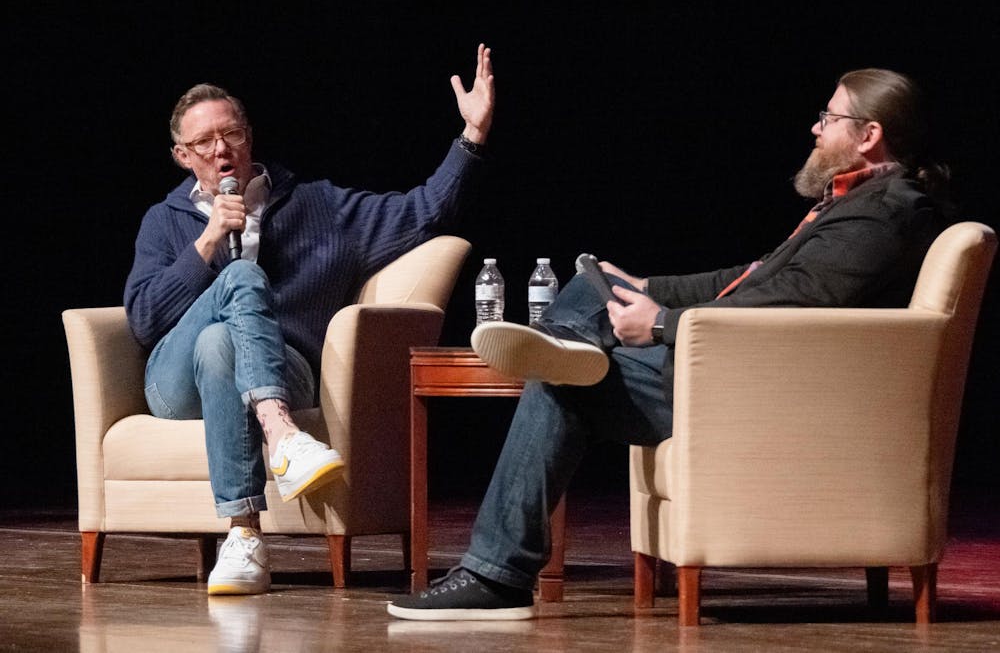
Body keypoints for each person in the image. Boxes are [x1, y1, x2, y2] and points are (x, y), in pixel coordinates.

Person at [386, 68, 950, 621]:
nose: (816, 128)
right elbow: (749, 278)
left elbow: (794, 307)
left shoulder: (883, 216)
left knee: (564, 385)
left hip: (758, 392)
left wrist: (662, 324)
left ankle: (496, 575)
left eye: (828, 116)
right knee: (589, 287)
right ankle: (568, 346)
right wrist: (645, 287)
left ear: (869, 134)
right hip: (743, 370)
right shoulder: (857, 204)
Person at [124, 43, 495, 596]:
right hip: (175, 382)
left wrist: (473, 137)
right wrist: (206, 244)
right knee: (240, 282)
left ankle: (245, 537)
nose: (221, 149)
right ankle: (283, 435)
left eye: (231, 134)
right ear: (183, 155)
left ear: (249, 136)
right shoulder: (164, 221)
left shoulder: (320, 206)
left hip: (285, 367)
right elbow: (145, 319)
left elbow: (425, 210)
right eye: (204, 142)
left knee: (223, 344)